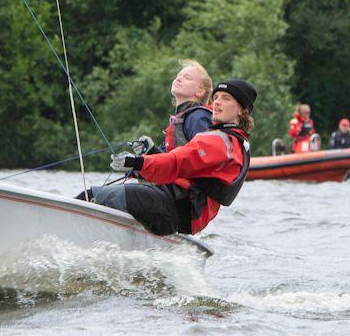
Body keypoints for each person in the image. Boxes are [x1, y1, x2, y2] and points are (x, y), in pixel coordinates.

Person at [82, 79, 256, 236]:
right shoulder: (234, 142)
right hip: (176, 209)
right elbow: (187, 171)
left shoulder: (219, 141)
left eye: (226, 98)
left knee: (90, 195)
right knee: (116, 198)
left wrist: (138, 162)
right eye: (216, 97)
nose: (217, 102)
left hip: (173, 207)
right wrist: (150, 155)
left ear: (242, 110)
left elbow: (177, 162)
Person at [133, 60, 213, 156]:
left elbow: (206, 158)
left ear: (200, 91)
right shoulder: (179, 121)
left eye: (187, 78)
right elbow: (166, 162)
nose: (178, 79)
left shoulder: (198, 117)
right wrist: (148, 152)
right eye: (178, 75)